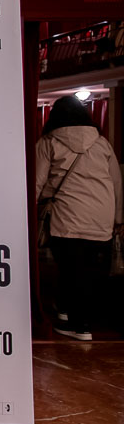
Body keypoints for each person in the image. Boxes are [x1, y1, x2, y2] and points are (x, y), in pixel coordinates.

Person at [35, 94, 124, 341]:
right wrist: (118, 218)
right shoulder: (102, 143)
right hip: (101, 217)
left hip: (67, 217)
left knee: (69, 270)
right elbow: (116, 182)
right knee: (90, 272)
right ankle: (71, 314)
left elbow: (36, 181)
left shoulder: (49, 142)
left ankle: (79, 325)